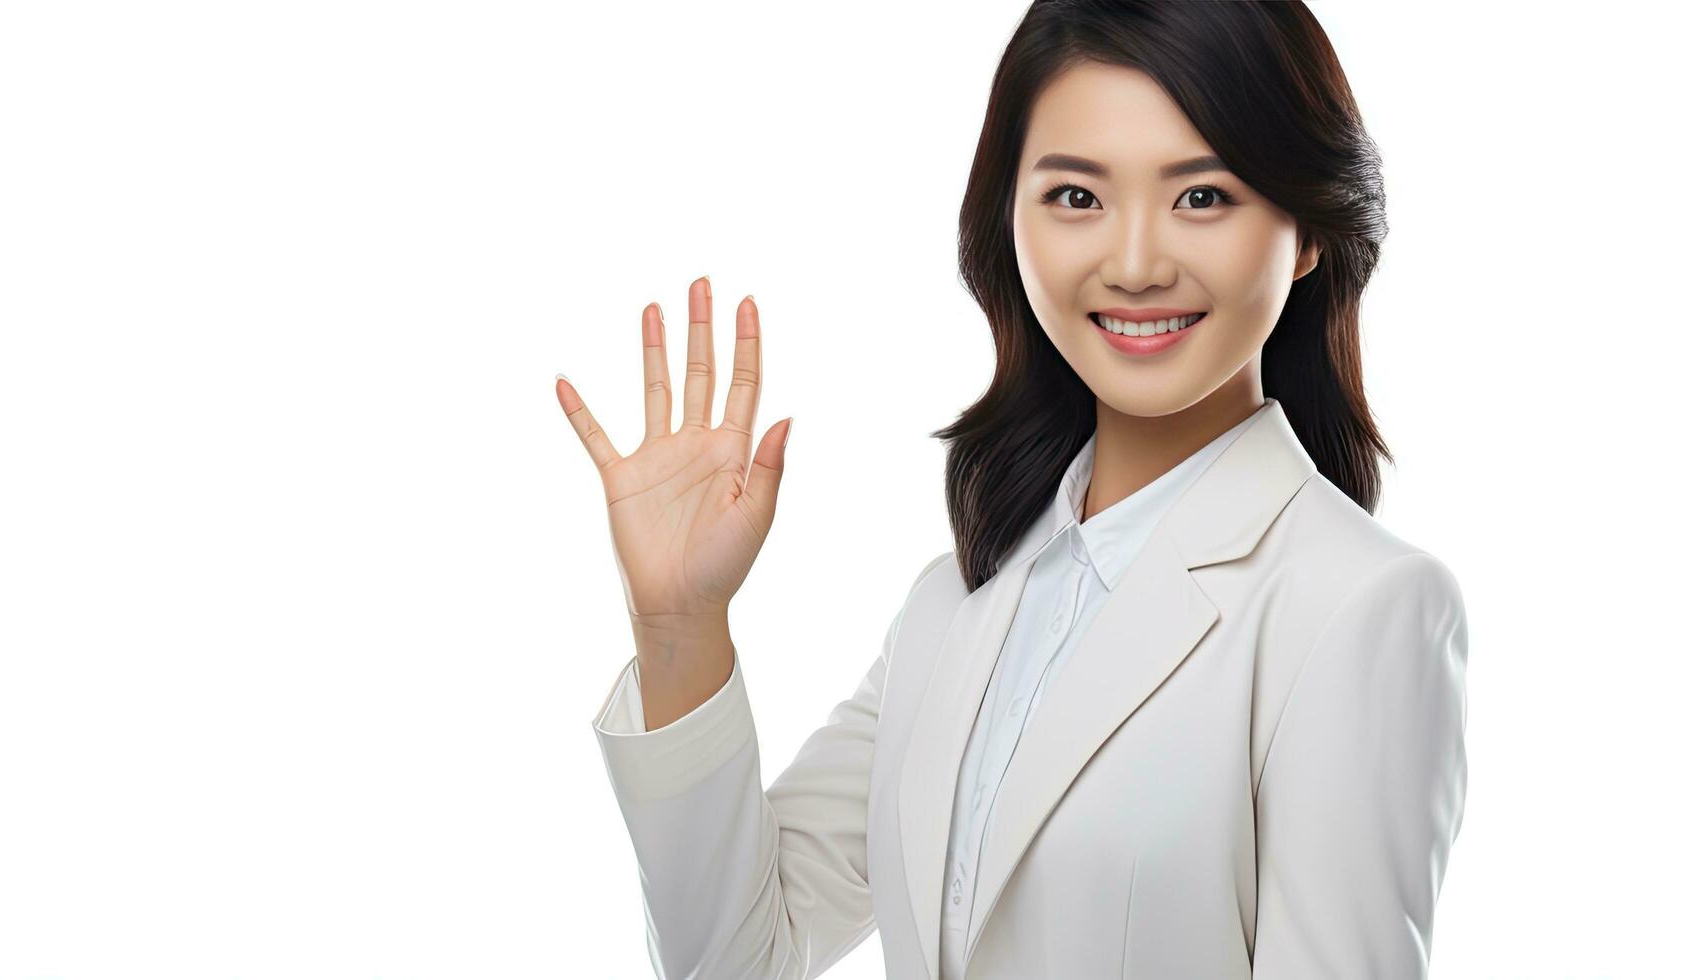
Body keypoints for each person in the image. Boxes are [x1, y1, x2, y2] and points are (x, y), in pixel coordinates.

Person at [551, 2, 1470, 977]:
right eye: (1076, 197)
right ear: (1010, 220)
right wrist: (678, 630)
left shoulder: (1356, 607)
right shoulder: (952, 602)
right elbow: (736, 957)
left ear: (1309, 230)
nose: (1132, 263)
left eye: (1200, 197)